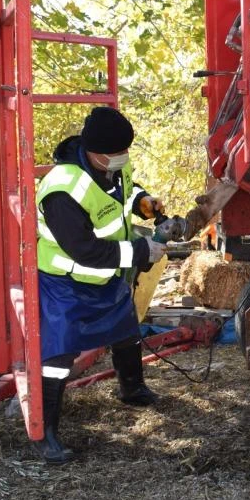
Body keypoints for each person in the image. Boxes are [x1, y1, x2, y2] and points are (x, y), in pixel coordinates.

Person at [34, 106, 168, 464]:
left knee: (127, 331)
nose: (123, 157)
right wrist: (140, 251)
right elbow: (85, 250)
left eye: (126, 151)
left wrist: (143, 201)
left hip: (106, 277)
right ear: (94, 151)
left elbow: (124, 192)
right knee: (57, 357)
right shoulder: (62, 190)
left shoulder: (113, 163)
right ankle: (45, 433)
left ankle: (132, 389)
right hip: (65, 284)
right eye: (117, 152)